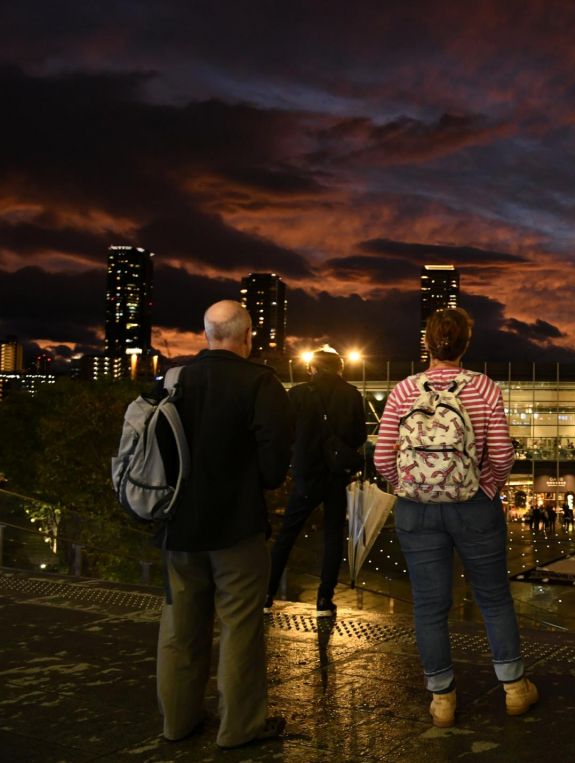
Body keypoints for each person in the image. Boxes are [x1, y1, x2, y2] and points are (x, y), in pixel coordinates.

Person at [374, 308, 539, 728]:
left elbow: (381, 458)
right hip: (473, 507)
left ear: (427, 344)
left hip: (417, 511)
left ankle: (443, 699)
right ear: (466, 344)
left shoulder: (403, 392)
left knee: (430, 606)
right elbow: (501, 455)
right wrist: (484, 488)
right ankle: (514, 688)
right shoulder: (482, 388)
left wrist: (410, 487)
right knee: (494, 597)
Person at [155, 300, 292, 749]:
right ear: (248, 336)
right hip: (237, 526)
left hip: (179, 527)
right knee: (240, 626)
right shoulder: (260, 382)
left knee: (179, 628)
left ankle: (177, 722)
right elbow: (273, 470)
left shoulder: (174, 379)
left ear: (206, 334)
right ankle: (239, 727)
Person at [265, 347, 367, 616]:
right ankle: (324, 599)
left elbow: (284, 431)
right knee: (333, 536)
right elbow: (359, 437)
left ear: (312, 368)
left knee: (287, 534)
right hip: (336, 476)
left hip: (306, 476)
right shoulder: (352, 394)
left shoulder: (298, 394)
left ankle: (266, 593)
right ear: (340, 368)